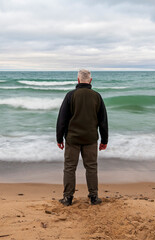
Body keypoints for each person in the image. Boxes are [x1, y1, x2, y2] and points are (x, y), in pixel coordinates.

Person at [56, 69, 108, 206]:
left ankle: (67, 198)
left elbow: (62, 119)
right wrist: (104, 140)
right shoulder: (97, 96)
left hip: (72, 139)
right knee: (91, 167)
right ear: (90, 80)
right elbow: (103, 121)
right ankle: (93, 197)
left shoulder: (70, 95)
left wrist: (59, 138)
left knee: (69, 168)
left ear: (78, 80)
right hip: (90, 139)